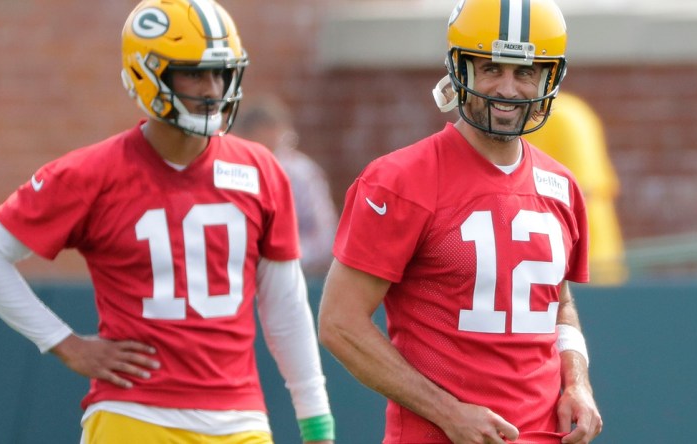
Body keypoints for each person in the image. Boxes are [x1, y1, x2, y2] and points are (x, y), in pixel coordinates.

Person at [0, 1, 335, 443]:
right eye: (194, 72)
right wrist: (64, 342)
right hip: (133, 414)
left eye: (220, 72)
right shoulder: (90, 173)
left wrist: (316, 422)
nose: (213, 88)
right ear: (147, 74)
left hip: (239, 418)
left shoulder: (262, 170)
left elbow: (284, 305)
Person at [318, 0, 601, 443]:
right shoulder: (401, 180)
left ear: (549, 78)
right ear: (460, 71)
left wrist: (577, 383)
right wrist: (447, 412)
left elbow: (558, 303)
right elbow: (339, 322)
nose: (508, 88)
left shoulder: (561, 185)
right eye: (491, 67)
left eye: (525, 72)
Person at [524, 92, 627, 285]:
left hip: (579, 260)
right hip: (600, 253)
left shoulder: (550, 117)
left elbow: (578, 191)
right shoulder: (575, 110)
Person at [234, 96, 338, 278]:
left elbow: (324, 237)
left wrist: (278, 256)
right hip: (244, 274)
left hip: (299, 274)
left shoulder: (301, 174)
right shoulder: (234, 170)